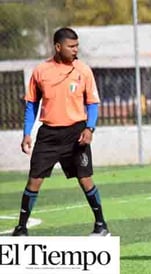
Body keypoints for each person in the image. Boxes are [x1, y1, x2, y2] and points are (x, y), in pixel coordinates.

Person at [12, 27, 109, 236]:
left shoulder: (83, 70)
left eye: (77, 46)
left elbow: (92, 104)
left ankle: (101, 225)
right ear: (58, 47)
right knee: (34, 180)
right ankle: (21, 228)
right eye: (71, 46)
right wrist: (27, 133)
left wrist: (90, 129)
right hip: (48, 135)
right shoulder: (40, 71)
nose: (75, 50)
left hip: (76, 134)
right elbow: (31, 105)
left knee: (85, 179)